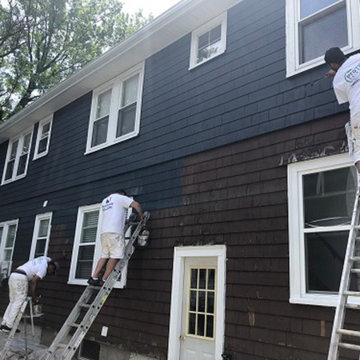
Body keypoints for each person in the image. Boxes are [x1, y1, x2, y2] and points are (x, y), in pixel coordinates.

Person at [88, 190, 143, 287]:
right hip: (115, 233)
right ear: (122, 194)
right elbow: (136, 204)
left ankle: (94, 277)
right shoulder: (120, 197)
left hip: (104, 232)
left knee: (104, 255)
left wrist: (123, 221)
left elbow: (113, 215)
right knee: (115, 256)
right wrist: (141, 217)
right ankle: (104, 280)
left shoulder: (105, 200)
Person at [0, 256, 59, 333]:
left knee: (12, 301)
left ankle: (4, 323)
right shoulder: (43, 270)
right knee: (19, 300)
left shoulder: (45, 259)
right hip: (21, 277)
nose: (50, 272)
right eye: (52, 270)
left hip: (14, 274)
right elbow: (33, 282)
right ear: (51, 266)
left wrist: (62, 257)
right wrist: (34, 297)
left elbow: (53, 259)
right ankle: (9, 326)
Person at [324, 47, 360, 173]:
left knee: (359, 152)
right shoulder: (357, 57)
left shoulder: (337, 81)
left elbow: (345, 99)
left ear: (332, 64)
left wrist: (338, 74)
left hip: (358, 112)